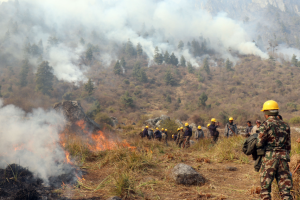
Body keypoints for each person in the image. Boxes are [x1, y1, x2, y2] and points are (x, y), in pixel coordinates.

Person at [257, 100, 292, 199]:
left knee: (265, 190)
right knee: (285, 190)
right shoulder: (285, 125)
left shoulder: (265, 125)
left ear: (266, 113)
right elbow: (288, 146)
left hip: (269, 159)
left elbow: (259, 143)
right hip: (283, 159)